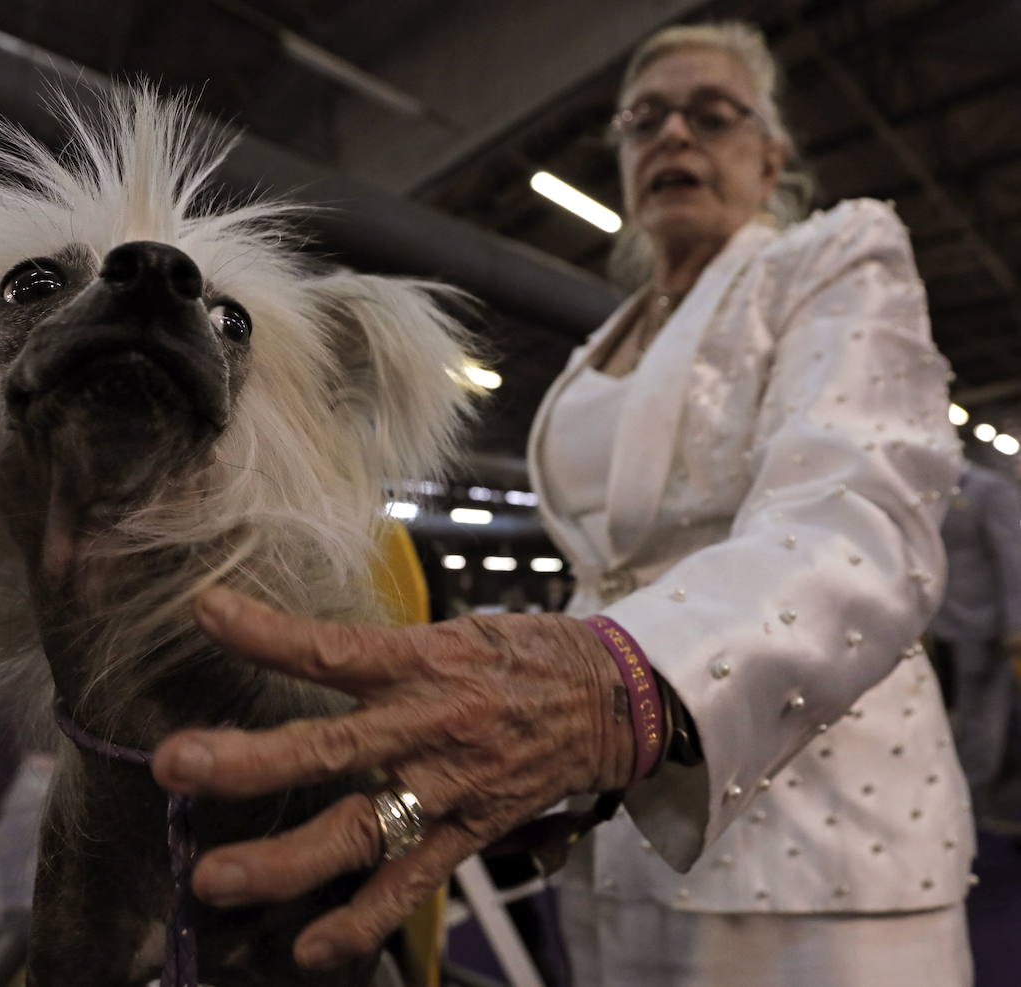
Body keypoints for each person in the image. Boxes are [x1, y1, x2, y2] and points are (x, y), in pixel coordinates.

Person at [150, 20, 972, 986]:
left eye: (713, 115)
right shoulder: (600, 347)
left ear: (772, 155)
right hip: (616, 826)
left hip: (817, 834)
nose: (674, 137)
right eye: (645, 119)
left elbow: (860, 514)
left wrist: (615, 679)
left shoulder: (835, 256)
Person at [931, 460, 1021, 809]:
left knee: (984, 715)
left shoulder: (990, 490)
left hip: (988, 627)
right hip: (952, 625)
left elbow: (1013, 559)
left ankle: (975, 799)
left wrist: (1016, 627)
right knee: (977, 712)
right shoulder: (934, 494)